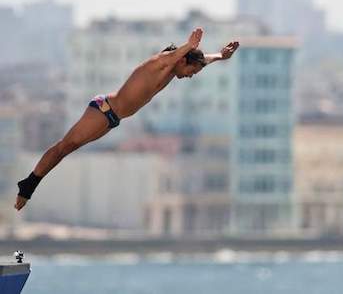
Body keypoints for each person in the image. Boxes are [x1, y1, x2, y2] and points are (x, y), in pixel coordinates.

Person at [15, 27, 240, 211]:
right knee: (64, 147)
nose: (190, 76)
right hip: (103, 110)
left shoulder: (173, 70)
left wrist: (221, 56)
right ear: (182, 60)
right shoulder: (160, 63)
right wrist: (189, 46)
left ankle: (29, 185)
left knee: (69, 149)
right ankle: (28, 185)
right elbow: (173, 56)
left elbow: (203, 60)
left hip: (112, 119)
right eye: (191, 71)